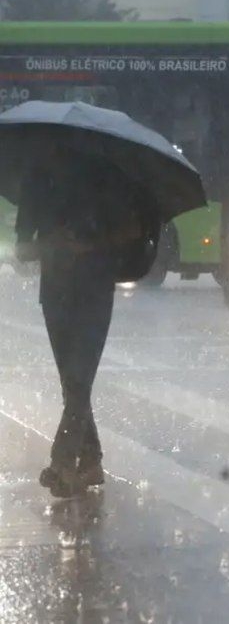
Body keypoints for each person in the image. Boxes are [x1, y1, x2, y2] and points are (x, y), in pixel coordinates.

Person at [15, 143, 139, 498]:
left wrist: (91, 243)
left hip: (94, 293)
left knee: (79, 379)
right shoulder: (37, 181)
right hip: (56, 294)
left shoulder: (106, 177)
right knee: (73, 383)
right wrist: (52, 244)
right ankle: (91, 460)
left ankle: (63, 463)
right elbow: (22, 249)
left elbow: (131, 230)